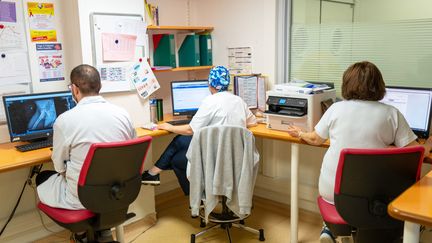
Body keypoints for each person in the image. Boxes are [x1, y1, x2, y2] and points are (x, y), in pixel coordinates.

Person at [286, 61, 432, 243]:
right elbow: (417, 152)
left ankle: (330, 229)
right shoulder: (391, 113)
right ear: (379, 85)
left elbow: (315, 139)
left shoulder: (336, 108)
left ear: (347, 84)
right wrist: (428, 142)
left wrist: (300, 133)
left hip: (333, 194)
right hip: (377, 198)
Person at [36, 64, 136, 241]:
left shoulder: (65, 121)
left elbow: (59, 166)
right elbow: (131, 151)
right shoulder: (123, 114)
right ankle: (102, 230)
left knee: (42, 177)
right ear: (100, 86)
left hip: (81, 199)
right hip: (116, 193)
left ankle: (81, 233)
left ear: (74, 89)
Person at [141, 66, 257, 195]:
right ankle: (153, 173)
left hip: (214, 157)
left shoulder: (210, 101)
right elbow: (252, 122)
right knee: (180, 140)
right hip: (235, 156)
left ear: (210, 84)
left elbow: (190, 130)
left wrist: (169, 127)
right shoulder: (238, 100)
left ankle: (198, 197)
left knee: (176, 158)